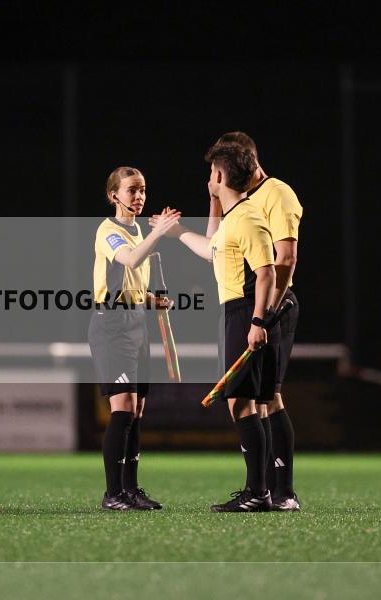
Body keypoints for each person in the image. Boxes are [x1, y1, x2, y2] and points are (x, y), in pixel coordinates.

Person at [152, 145, 277, 511]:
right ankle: (259, 490)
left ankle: (259, 493)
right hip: (234, 311)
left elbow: (267, 271)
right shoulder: (234, 216)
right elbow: (211, 249)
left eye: (211, 174)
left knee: (241, 404)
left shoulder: (248, 218)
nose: (209, 180)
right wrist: (177, 232)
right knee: (244, 404)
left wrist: (257, 321)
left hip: (243, 311)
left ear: (219, 177)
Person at [213, 132, 303, 511]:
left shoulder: (277, 193)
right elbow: (215, 244)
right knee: (262, 400)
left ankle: (279, 491)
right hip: (254, 306)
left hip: (270, 306)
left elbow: (284, 261)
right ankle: (265, 490)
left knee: (266, 399)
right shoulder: (237, 205)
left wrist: (264, 315)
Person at [89, 166, 179, 511]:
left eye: (142, 190)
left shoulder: (138, 229)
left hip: (135, 322)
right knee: (122, 407)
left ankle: (131, 489)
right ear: (114, 195)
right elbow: (129, 258)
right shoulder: (108, 231)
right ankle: (113, 494)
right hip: (111, 325)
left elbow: (132, 284)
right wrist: (159, 235)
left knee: (138, 409)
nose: (139, 196)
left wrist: (152, 300)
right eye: (132, 191)